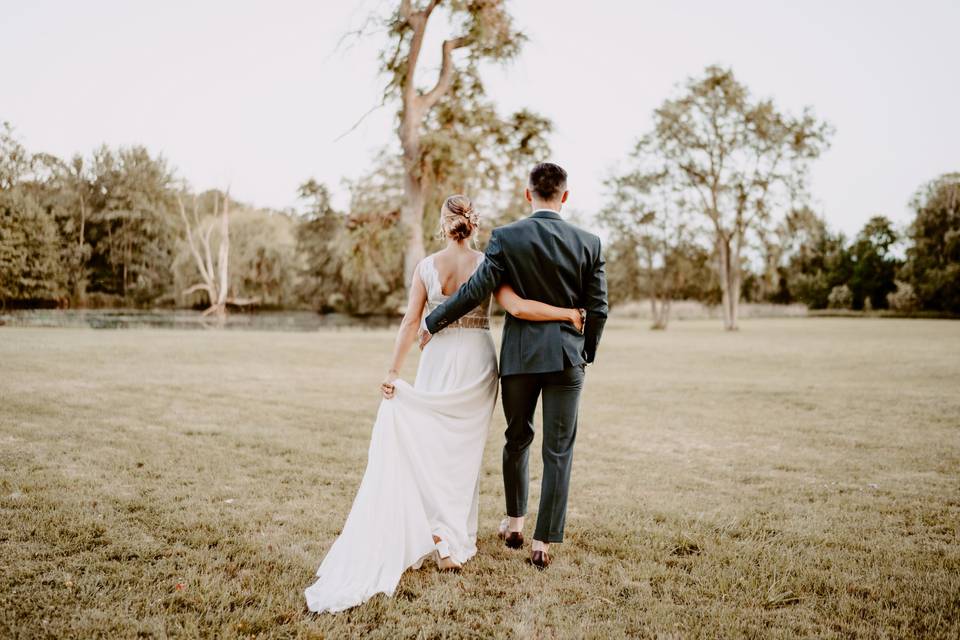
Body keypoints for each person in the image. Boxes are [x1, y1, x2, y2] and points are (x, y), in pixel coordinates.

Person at [304, 194, 583, 613]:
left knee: (430, 449)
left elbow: (410, 322)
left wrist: (393, 371)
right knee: (462, 456)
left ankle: (437, 532)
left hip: (437, 359)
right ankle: (448, 537)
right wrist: (568, 313)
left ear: (443, 224)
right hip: (477, 362)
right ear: (473, 224)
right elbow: (518, 307)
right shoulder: (491, 265)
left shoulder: (426, 268)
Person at [419, 163, 608, 569]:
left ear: (528, 194)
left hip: (520, 357)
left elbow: (475, 291)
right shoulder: (589, 242)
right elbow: (599, 308)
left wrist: (433, 321)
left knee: (517, 437)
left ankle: (516, 522)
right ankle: (543, 541)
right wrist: (585, 351)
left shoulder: (506, 237)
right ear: (565, 196)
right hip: (566, 358)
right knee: (558, 450)